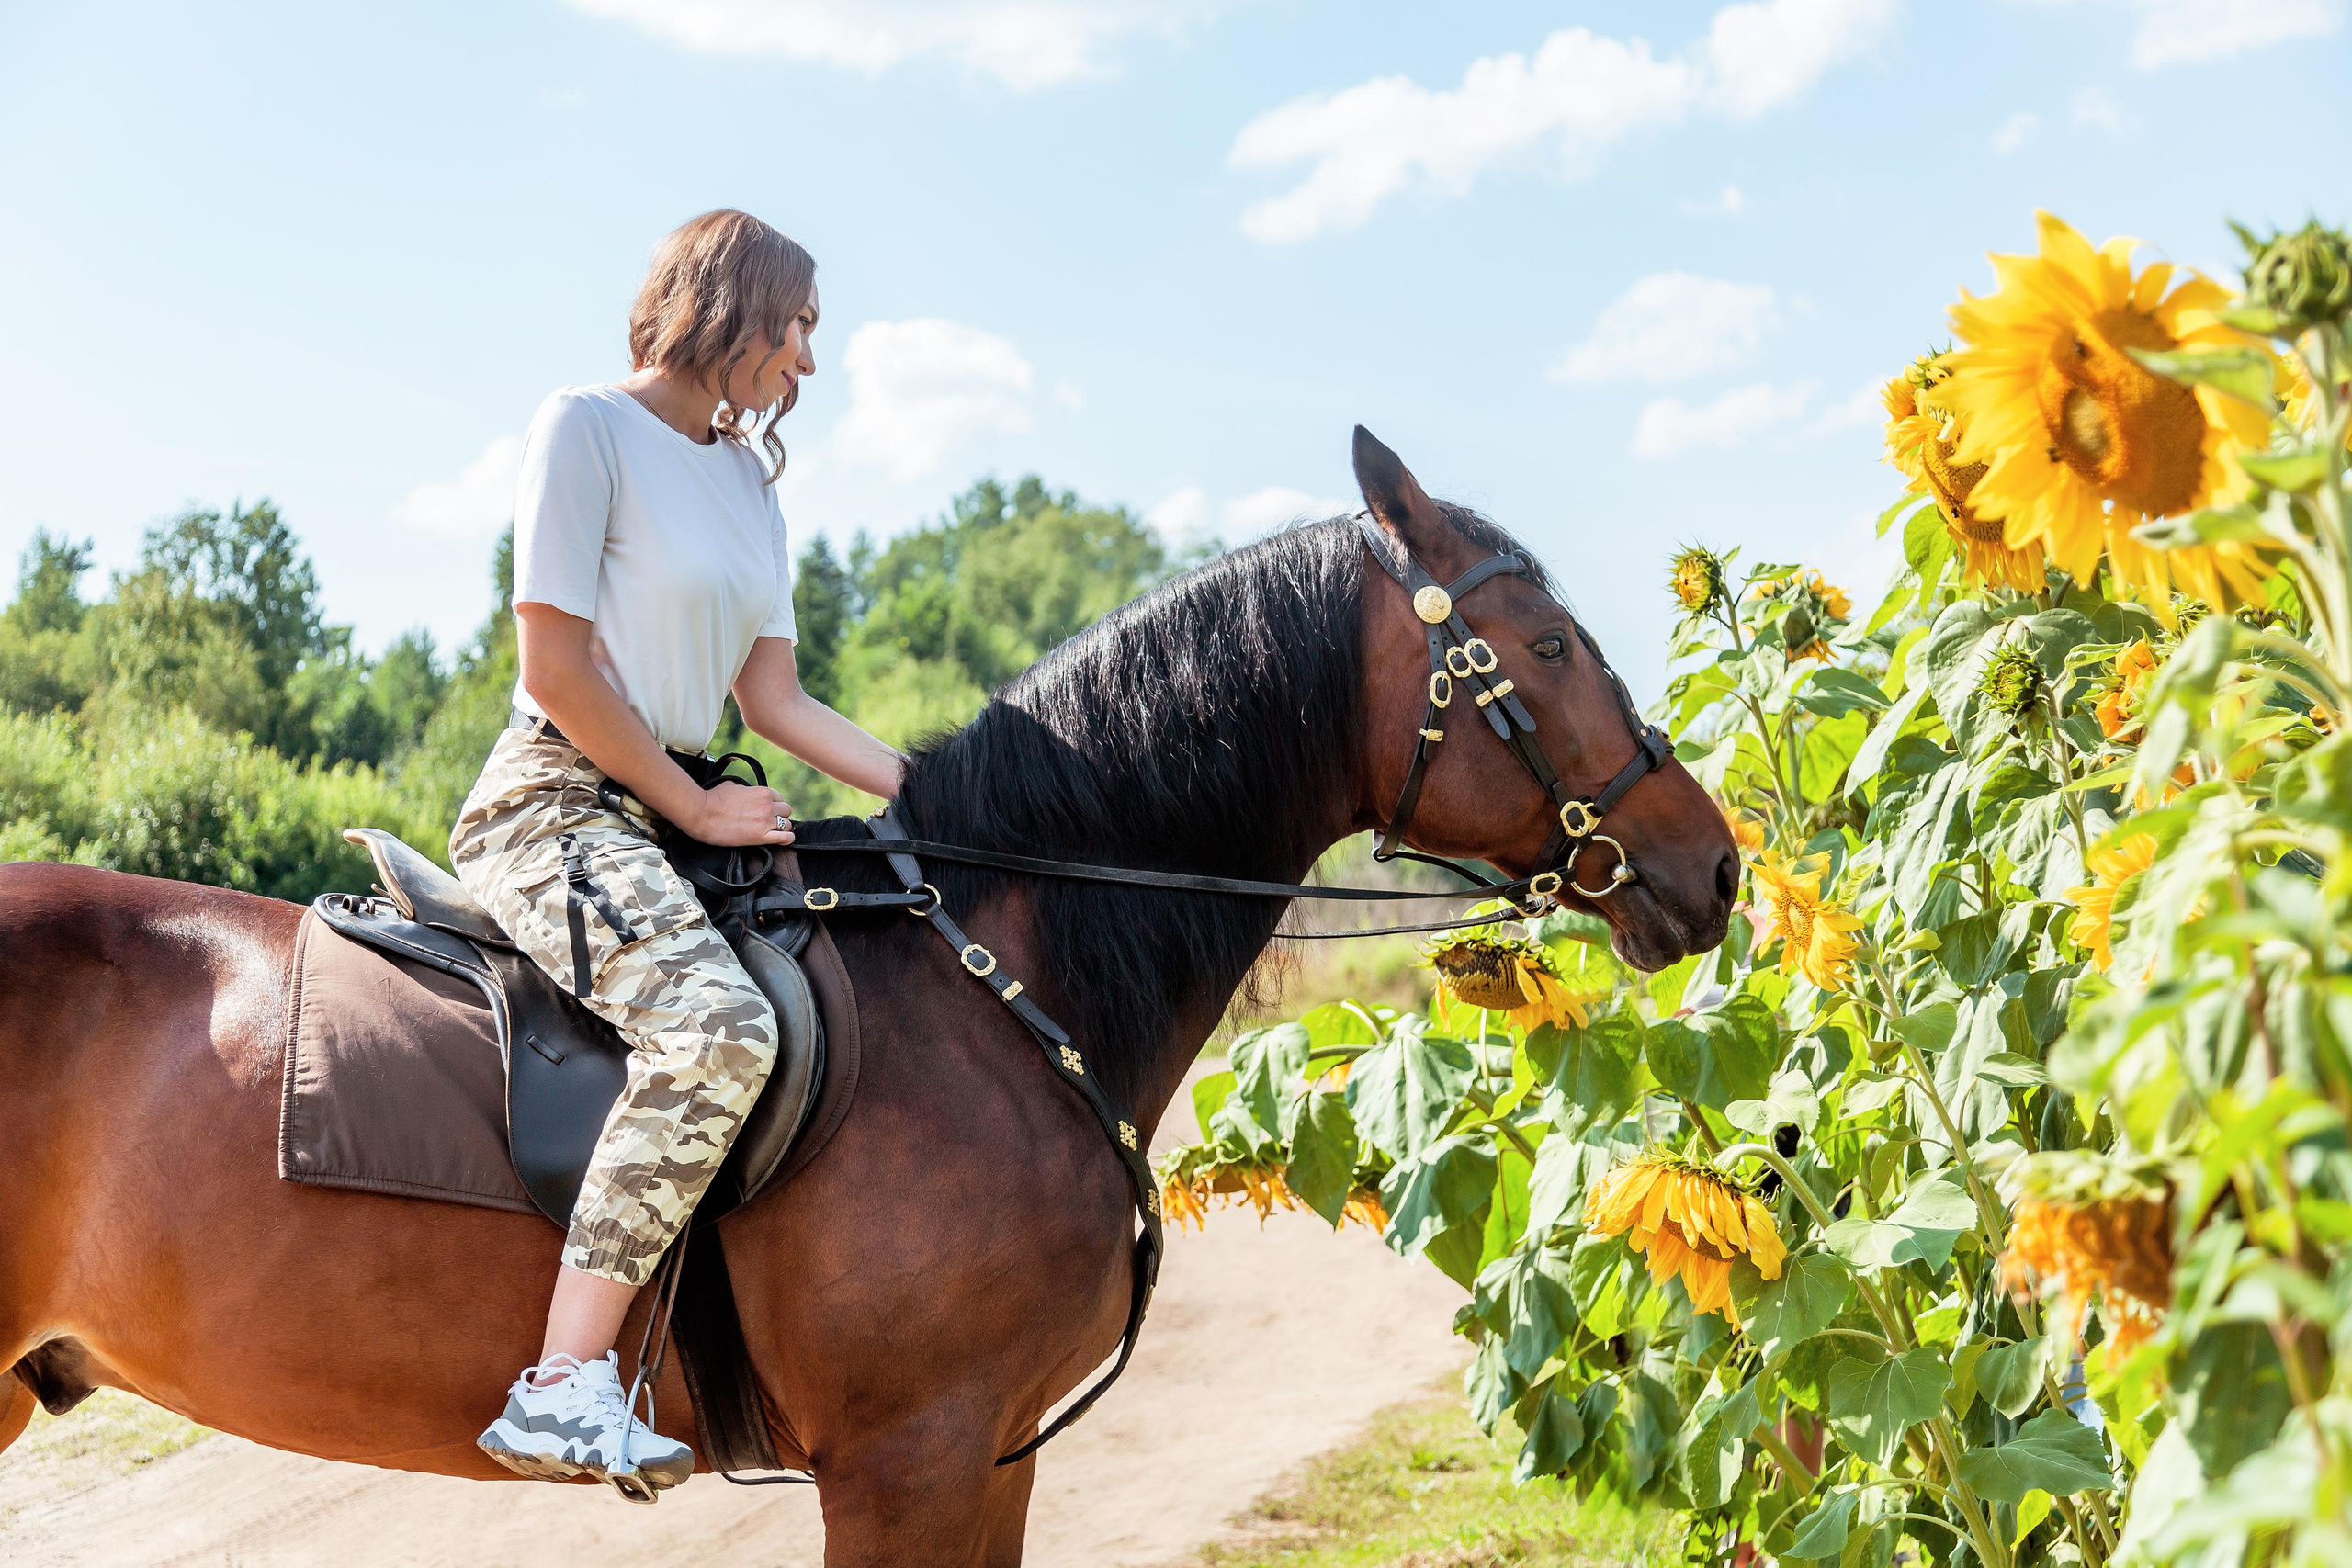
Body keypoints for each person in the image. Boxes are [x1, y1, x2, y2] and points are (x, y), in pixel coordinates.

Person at [450, 209, 904, 1490]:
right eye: (798, 323)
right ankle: (560, 1386)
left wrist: (938, 791)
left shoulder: (750, 483)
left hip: (665, 813)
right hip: (555, 802)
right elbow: (555, 667)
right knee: (718, 1031)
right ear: (731, 303)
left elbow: (776, 701)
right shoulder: (584, 427)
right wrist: (694, 809)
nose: (808, 358)